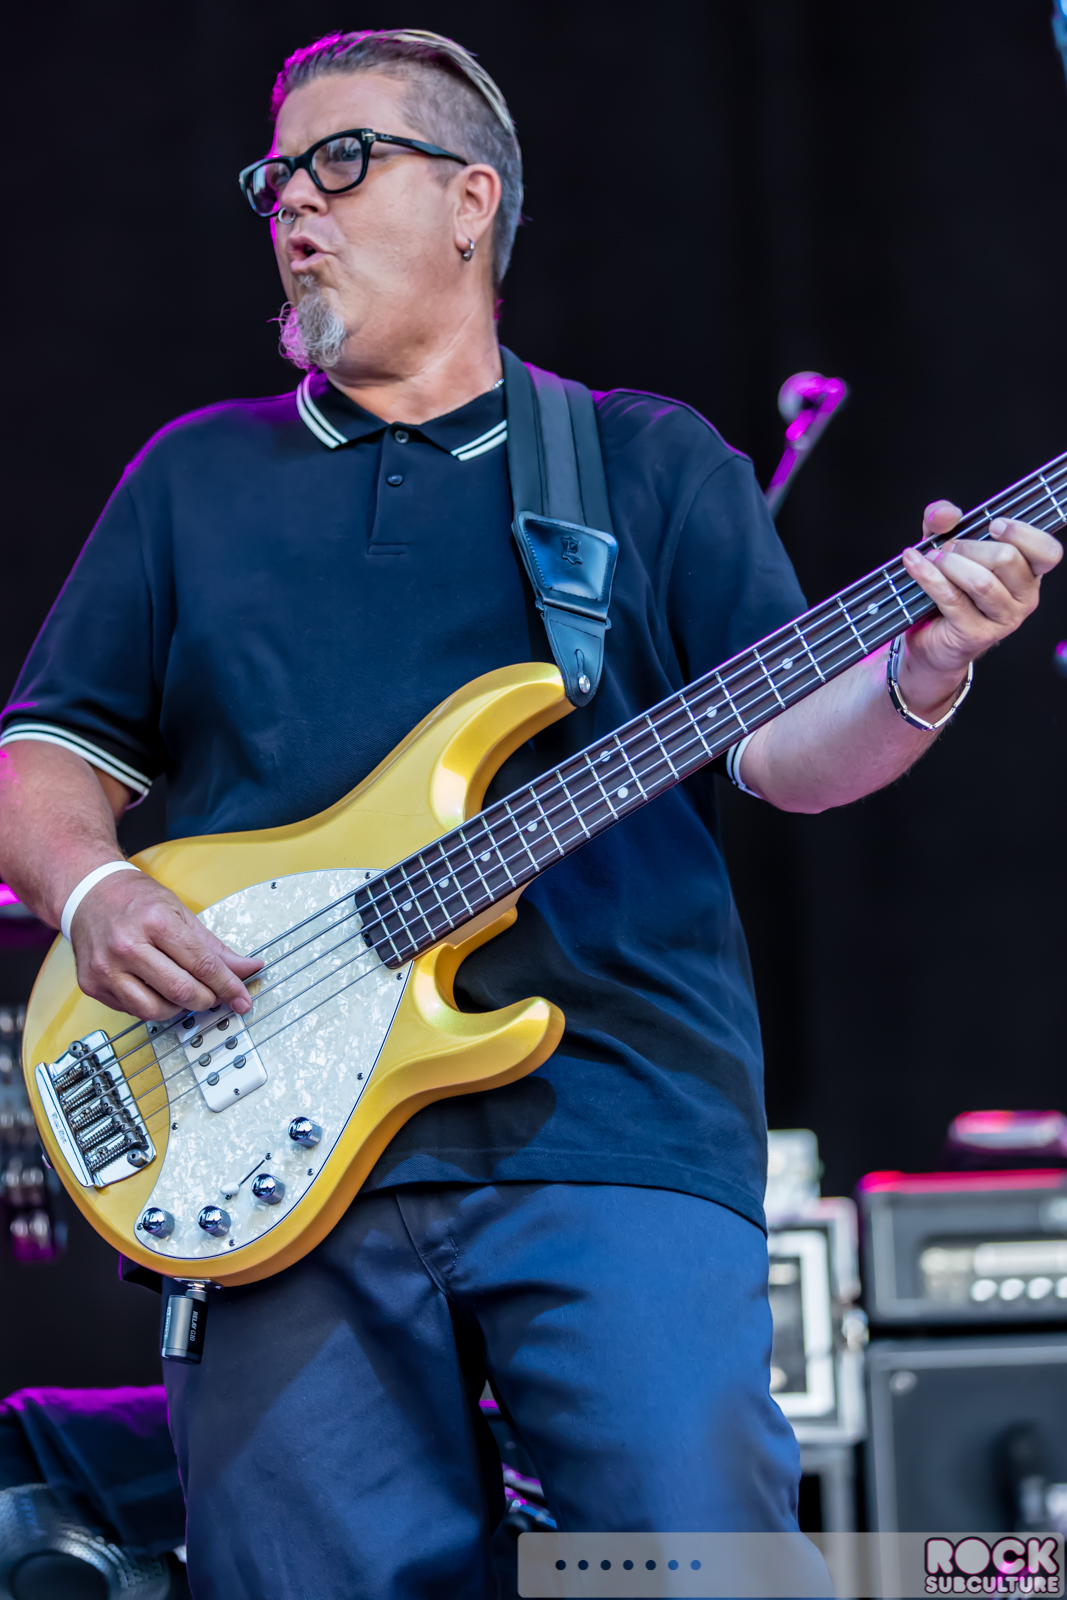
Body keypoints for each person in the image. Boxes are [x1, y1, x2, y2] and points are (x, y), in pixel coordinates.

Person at [0, 28, 1059, 1600]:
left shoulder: (642, 460)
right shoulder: (193, 480)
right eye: (275, 179)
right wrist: (95, 893)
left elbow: (783, 754)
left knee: (696, 1569)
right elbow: (42, 765)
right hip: (264, 1156)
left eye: (340, 161)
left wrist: (922, 671)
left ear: (470, 199)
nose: (294, 205)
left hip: (610, 1121)